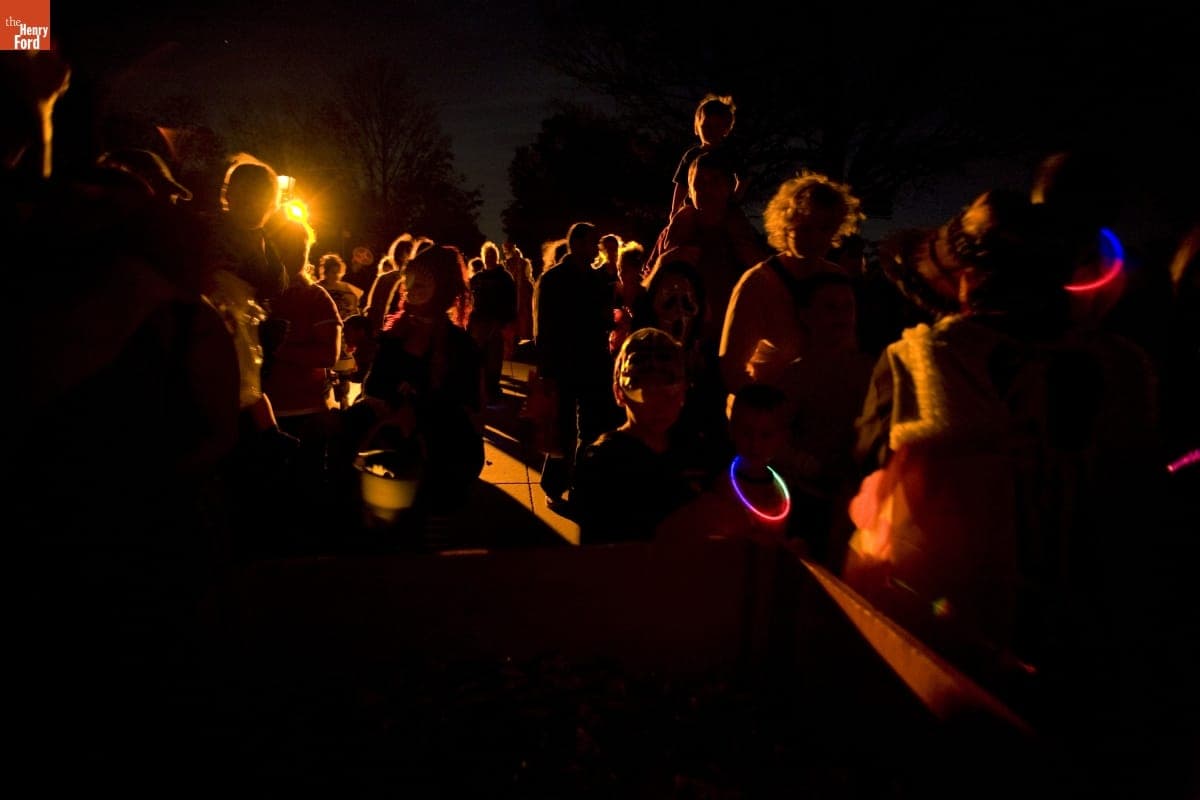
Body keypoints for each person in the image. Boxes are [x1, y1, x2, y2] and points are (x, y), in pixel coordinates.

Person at [358, 244, 486, 519]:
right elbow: (373, 385)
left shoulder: (460, 345)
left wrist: (416, 408)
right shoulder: (395, 334)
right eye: (410, 280)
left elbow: (467, 401)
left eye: (423, 282)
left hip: (443, 455)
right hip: (391, 455)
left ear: (442, 288)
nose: (412, 288)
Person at [718, 170, 864, 397]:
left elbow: (847, 348)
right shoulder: (758, 283)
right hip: (768, 417)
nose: (814, 238)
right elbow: (732, 369)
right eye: (804, 228)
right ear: (785, 226)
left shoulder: (837, 278)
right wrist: (769, 413)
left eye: (824, 228)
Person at [572, 327, 697, 543]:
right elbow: (598, 552)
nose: (656, 404)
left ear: (684, 390)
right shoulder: (603, 461)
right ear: (619, 393)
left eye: (668, 391)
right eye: (644, 391)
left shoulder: (692, 450)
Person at [532, 221, 620, 505]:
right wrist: (547, 369)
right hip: (567, 363)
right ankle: (557, 484)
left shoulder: (591, 279)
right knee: (566, 428)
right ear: (578, 244)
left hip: (589, 361)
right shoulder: (555, 279)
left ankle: (574, 483)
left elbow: (606, 318)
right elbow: (543, 328)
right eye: (593, 242)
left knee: (589, 427)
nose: (596, 248)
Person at [657, 383, 798, 550]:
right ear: (732, 429)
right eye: (747, 432)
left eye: (766, 435)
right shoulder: (712, 482)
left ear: (783, 437)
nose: (755, 443)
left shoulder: (783, 492)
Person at [468, 240, 518, 405]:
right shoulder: (477, 279)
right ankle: (479, 388)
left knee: (494, 358)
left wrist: (505, 321)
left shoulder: (505, 278)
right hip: (479, 324)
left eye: (491, 255)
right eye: (486, 255)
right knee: (479, 357)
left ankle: (492, 387)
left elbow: (511, 301)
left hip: (496, 323)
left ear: (496, 257)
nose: (489, 258)